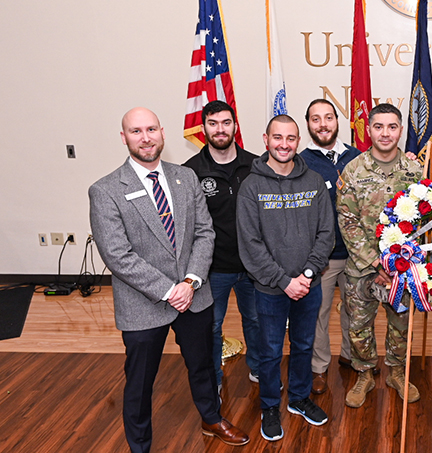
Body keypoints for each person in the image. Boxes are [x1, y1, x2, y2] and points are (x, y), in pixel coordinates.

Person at [89, 107, 249, 452]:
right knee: (140, 381)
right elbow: (117, 255)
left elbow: (205, 233)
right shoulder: (105, 191)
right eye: (136, 131)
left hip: (194, 295)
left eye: (151, 129)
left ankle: (212, 418)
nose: (145, 138)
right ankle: (140, 444)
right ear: (124, 138)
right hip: (143, 304)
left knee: (203, 365)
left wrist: (190, 282)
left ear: (162, 133)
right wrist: (167, 290)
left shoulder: (185, 178)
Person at [236, 114, 335, 441]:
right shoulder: (252, 186)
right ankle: (269, 406)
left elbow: (326, 234)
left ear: (298, 141)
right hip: (269, 290)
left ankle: (299, 398)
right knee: (270, 351)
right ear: (266, 140)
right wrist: (284, 281)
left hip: (309, 285)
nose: (284, 144)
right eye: (277, 138)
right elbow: (250, 244)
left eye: (290, 138)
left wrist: (306, 275)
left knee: (305, 345)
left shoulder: (314, 182)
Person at [336, 103, 423, 408]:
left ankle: (397, 372)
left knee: (400, 325)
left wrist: (400, 263)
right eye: (379, 126)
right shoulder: (353, 170)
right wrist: (376, 261)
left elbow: (422, 220)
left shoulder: (415, 170)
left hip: (402, 270)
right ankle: (364, 374)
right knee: (359, 327)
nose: (385, 133)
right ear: (369, 130)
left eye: (392, 127)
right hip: (363, 268)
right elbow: (347, 219)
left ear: (400, 130)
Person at [183, 100, 260, 391]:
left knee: (255, 321)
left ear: (235, 126)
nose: (220, 129)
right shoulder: (189, 172)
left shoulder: (255, 165)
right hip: (212, 269)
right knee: (211, 327)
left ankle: (258, 368)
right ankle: (214, 378)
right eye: (213, 124)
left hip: (252, 266)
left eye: (226, 123)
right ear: (203, 128)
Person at [299, 99, 363, 395]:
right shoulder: (300, 162)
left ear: (338, 120)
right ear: (308, 124)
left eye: (328, 117)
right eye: (315, 119)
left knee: (357, 310)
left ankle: (353, 358)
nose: (322, 124)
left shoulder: (358, 158)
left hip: (357, 254)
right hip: (321, 257)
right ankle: (318, 368)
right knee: (318, 313)